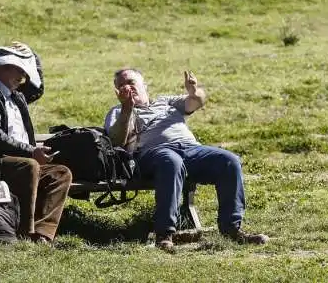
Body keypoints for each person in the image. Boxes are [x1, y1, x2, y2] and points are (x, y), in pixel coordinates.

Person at [104, 68, 269, 252]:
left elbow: (196, 102)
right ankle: (164, 235)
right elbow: (116, 141)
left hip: (191, 149)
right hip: (153, 154)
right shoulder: (117, 111)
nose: (127, 87)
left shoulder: (166, 102)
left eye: (131, 82)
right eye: (121, 85)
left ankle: (231, 229)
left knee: (229, 161)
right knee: (171, 161)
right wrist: (127, 110)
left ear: (144, 85)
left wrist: (194, 91)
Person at [0, 42, 72, 244]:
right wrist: (30, 151)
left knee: (59, 173)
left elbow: (36, 89)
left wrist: (32, 56)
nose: (23, 76)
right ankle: (24, 232)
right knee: (29, 165)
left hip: (16, 163)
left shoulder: (13, 93)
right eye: (18, 69)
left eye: (24, 70)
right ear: (0, 66)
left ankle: (42, 234)